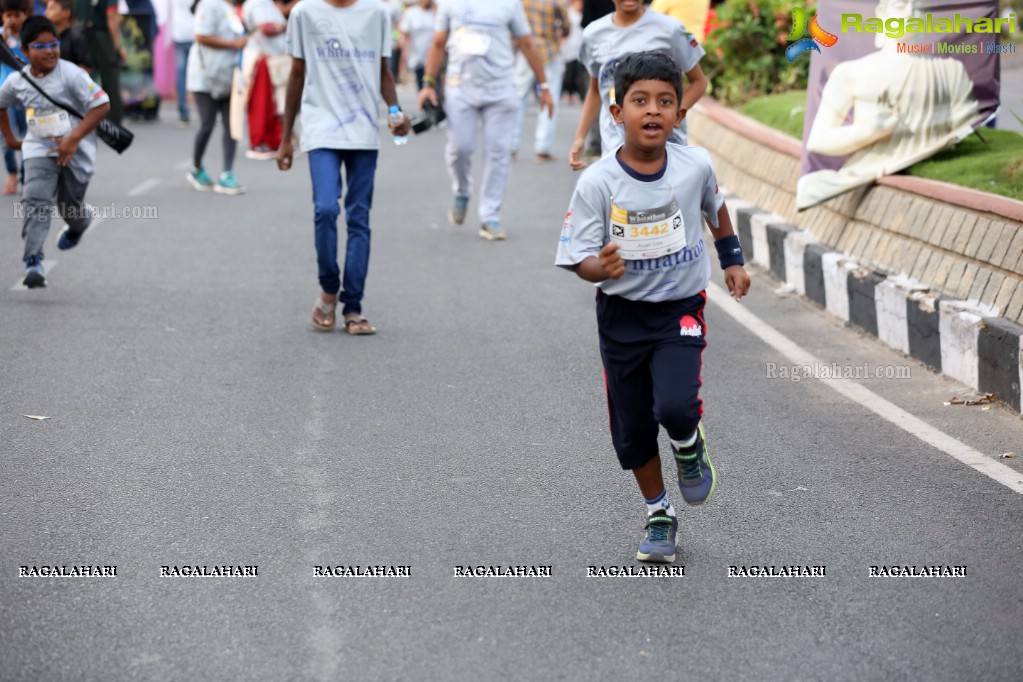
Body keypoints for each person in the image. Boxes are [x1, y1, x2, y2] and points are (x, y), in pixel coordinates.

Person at [555, 52, 750, 563]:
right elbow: (579, 258)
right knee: (634, 430)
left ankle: (688, 444)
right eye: (640, 101)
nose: (653, 111)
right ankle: (658, 513)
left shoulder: (695, 165)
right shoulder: (598, 181)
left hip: (679, 308)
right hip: (622, 316)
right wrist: (602, 268)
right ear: (617, 114)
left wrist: (732, 261)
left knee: (675, 406)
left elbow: (716, 207)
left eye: (666, 101)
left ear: (680, 115)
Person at [276, 0, 410, 335]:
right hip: (320, 129)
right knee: (324, 209)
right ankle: (328, 288)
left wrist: (395, 112)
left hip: (363, 131)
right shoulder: (304, 13)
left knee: (359, 216)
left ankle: (353, 307)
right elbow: (296, 72)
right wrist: (285, 138)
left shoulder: (377, 13)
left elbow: (384, 71)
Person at [797, 0, 980, 209]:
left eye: (918, 7)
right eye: (902, 5)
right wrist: (867, 131)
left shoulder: (950, 72)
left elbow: (965, 124)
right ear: (882, 12)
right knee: (811, 186)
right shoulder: (852, 73)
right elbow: (818, 140)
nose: (911, 13)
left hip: (921, 169)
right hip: (865, 168)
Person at [417, 0, 554, 241]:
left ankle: (490, 215)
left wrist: (544, 86)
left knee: (498, 153)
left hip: (501, 89)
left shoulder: (510, 4)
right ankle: (461, 191)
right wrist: (428, 84)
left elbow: (527, 43)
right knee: (460, 147)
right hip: (461, 88)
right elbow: (438, 42)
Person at [0, 15, 110, 288]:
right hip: (38, 147)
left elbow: (102, 105)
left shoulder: (71, 74)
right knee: (36, 200)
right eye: (40, 46)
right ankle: (33, 262)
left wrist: (73, 139)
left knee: (69, 208)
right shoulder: (18, 81)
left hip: (77, 151)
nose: (49, 51)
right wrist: (11, 139)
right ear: (24, 51)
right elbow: (1, 103)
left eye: (54, 44)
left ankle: (78, 226)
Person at [568, 0, 707, 170]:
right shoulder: (593, 34)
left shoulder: (671, 29)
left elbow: (699, 82)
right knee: (616, 197)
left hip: (666, 150)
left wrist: (672, 114)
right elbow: (597, 90)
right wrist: (579, 137)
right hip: (615, 148)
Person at [185, 0, 246, 194]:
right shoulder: (209, 4)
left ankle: (227, 173)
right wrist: (233, 44)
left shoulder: (231, 9)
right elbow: (201, 36)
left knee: (231, 126)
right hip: (206, 78)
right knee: (207, 125)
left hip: (228, 76)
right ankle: (196, 167)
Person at [511, 0, 570, 163]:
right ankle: (542, 148)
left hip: (526, 51)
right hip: (549, 50)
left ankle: (511, 146)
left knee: (518, 99)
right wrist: (561, 33)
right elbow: (566, 25)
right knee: (550, 100)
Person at [241, 0, 286, 160]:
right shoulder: (256, 3)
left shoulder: (268, 3)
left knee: (274, 104)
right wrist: (285, 26)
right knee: (261, 104)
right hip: (260, 59)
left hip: (272, 59)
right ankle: (258, 142)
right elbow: (266, 28)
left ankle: (273, 140)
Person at [73, 0, 126, 124]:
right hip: (102, 36)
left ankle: (83, 119)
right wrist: (118, 47)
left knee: (84, 79)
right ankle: (114, 122)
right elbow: (111, 16)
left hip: (81, 34)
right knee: (110, 80)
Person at [0, 0, 28, 194]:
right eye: (8, 16)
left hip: (27, 93)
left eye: (16, 15)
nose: (12, 20)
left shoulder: (29, 37)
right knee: (6, 137)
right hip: (5, 93)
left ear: (24, 16)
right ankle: (12, 173)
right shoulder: (2, 37)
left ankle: (27, 175)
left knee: (30, 135)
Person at [45, 0, 93, 73]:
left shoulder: (76, 38)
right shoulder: (47, 37)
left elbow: (86, 67)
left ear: (66, 12)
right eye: (47, 9)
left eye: (52, 9)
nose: (46, 13)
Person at [398, 0, 433, 91]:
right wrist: (405, 54)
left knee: (435, 91)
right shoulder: (411, 13)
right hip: (418, 59)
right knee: (422, 88)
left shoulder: (435, 12)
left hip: (434, 59)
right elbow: (404, 34)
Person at [170, 0, 194, 125]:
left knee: (181, 73)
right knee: (201, 72)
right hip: (194, 33)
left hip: (180, 33)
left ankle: (183, 112)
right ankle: (210, 112)